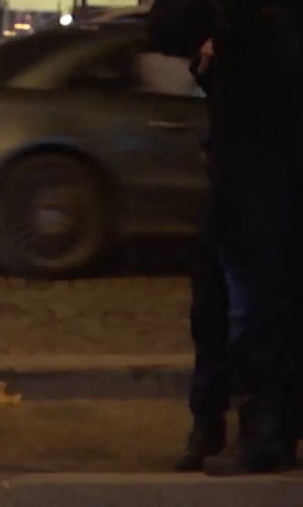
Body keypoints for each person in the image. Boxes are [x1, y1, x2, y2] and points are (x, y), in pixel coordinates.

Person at [148, 0, 303, 475]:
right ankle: (236, 426)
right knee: (235, 303)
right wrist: (222, 16)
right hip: (250, 163)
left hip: (267, 161)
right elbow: (166, 24)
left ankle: (262, 426)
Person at [173, 38, 233, 473]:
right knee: (211, 311)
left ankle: (258, 424)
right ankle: (209, 423)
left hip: (262, 176)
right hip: (233, 180)